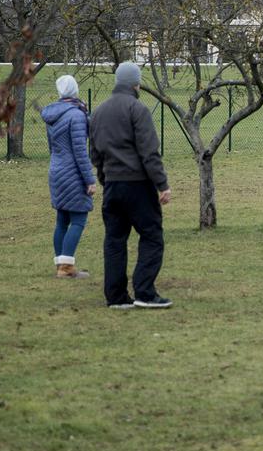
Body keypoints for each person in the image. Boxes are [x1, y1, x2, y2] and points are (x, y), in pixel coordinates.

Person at [89, 62, 173, 309]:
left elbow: (94, 153)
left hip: (113, 185)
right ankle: (145, 292)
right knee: (151, 235)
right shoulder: (138, 109)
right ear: (136, 83)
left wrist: (105, 180)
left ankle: (115, 297)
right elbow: (149, 152)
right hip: (137, 184)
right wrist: (162, 184)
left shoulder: (98, 112)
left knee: (114, 240)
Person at [41, 75, 97, 279]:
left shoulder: (52, 114)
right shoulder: (77, 115)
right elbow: (80, 151)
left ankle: (60, 264)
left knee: (62, 219)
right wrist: (90, 180)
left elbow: (52, 147)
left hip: (56, 170)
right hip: (73, 172)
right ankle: (65, 267)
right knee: (79, 219)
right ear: (75, 90)